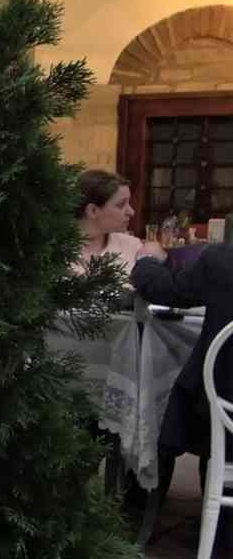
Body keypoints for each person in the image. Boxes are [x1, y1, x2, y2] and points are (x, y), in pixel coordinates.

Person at [130, 239, 233, 504]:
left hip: (225, 415)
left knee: (194, 396)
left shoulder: (222, 259)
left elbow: (167, 291)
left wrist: (148, 261)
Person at [73, 169, 142, 276]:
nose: (131, 212)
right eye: (121, 205)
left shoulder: (132, 247)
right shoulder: (52, 253)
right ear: (93, 211)